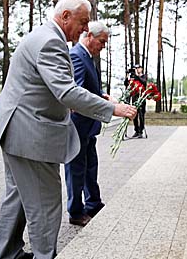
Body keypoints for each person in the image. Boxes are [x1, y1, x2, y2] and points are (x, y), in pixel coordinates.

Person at [0, 0, 137, 259]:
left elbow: (50, 89)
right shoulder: (51, 41)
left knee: (17, 197)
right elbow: (66, 91)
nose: (86, 29)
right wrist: (113, 108)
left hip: (15, 131)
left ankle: (9, 254)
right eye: (83, 22)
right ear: (65, 16)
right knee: (45, 204)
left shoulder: (42, 36)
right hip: (29, 136)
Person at [65, 21, 114, 226]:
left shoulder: (89, 57)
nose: (103, 46)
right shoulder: (77, 55)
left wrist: (101, 95)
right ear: (89, 36)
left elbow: (87, 89)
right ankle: (76, 211)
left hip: (88, 125)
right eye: (102, 41)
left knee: (90, 166)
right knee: (76, 169)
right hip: (78, 125)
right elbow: (76, 93)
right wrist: (103, 103)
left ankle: (93, 203)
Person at [131, 64, 147, 138]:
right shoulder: (134, 77)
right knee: (135, 115)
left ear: (141, 69)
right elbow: (126, 83)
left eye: (138, 68)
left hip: (141, 98)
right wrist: (128, 77)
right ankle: (136, 130)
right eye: (135, 68)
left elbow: (143, 82)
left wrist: (137, 75)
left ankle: (141, 131)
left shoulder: (144, 76)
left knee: (141, 115)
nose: (137, 69)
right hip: (134, 97)